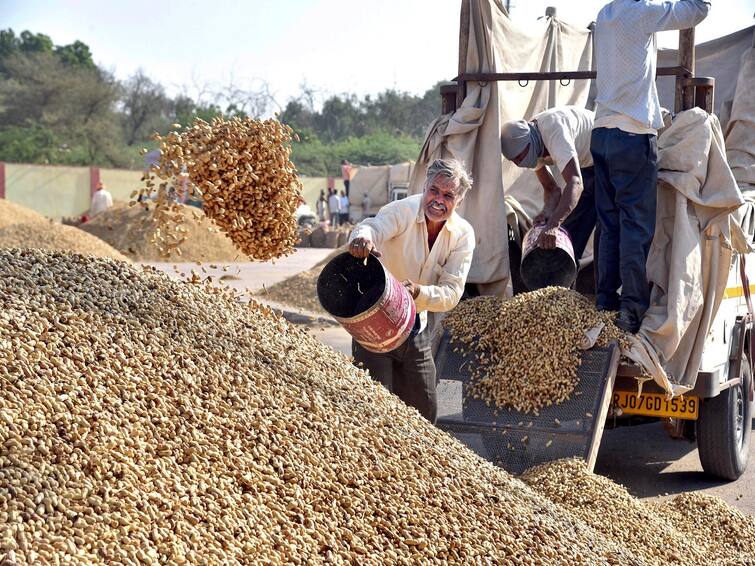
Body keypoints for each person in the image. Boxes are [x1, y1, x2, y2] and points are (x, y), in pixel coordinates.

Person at [592, 0, 710, 333]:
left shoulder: (605, 14)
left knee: (610, 223)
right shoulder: (643, 10)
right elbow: (697, 10)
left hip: (601, 133)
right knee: (635, 226)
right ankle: (631, 311)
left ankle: (605, 301)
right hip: (633, 135)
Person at [348, 158, 475, 423]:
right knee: (373, 406)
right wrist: (362, 239)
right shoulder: (402, 211)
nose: (438, 200)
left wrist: (418, 293)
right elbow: (373, 227)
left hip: (414, 324)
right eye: (434, 191)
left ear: (459, 202)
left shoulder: (463, 234)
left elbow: (452, 292)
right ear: (425, 186)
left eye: (448, 195)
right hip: (375, 319)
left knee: (426, 408)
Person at [500, 105, 596, 263]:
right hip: (587, 165)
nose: (518, 163)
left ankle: (589, 284)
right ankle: (561, 282)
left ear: (528, 144)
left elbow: (575, 183)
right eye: (513, 161)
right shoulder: (532, 143)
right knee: (568, 232)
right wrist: (547, 212)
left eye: (519, 157)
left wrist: (553, 225)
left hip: (607, 155)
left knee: (600, 229)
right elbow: (552, 190)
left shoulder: (553, 131)